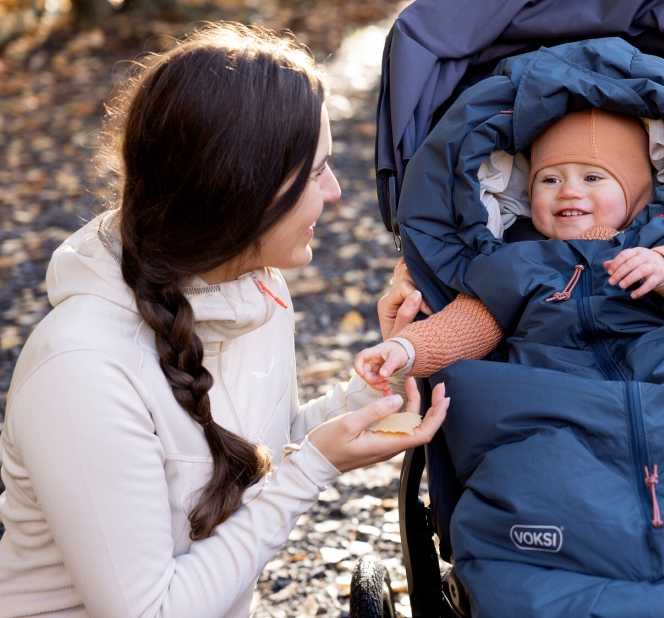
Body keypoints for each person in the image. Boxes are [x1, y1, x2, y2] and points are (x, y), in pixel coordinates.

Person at [0, 23, 447, 618]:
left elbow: (258, 448)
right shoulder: (80, 371)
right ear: (241, 190)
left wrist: (376, 388)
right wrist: (312, 470)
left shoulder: (255, 290)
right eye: (317, 172)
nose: (336, 192)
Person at [354, 108, 664, 384]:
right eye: (549, 180)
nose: (569, 191)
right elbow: (467, 323)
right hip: (550, 391)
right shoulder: (512, 259)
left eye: (591, 177)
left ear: (636, 192)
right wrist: (406, 349)